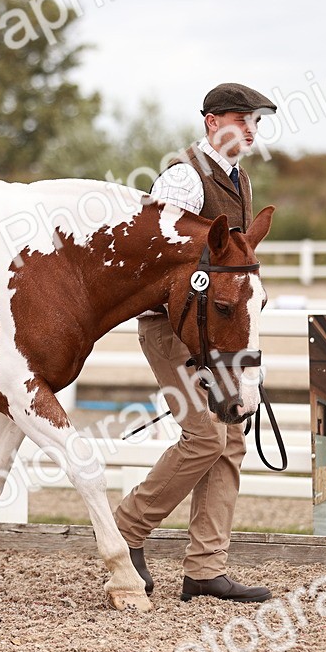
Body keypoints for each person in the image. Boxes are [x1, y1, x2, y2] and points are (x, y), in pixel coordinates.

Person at [114, 82, 277, 602]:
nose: (250, 130)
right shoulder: (184, 179)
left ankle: (206, 567)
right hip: (170, 328)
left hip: (216, 328)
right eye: (241, 119)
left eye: (255, 122)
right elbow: (157, 254)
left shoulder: (240, 181)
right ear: (211, 122)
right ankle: (126, 528)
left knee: (230, 440)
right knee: (206, 437)